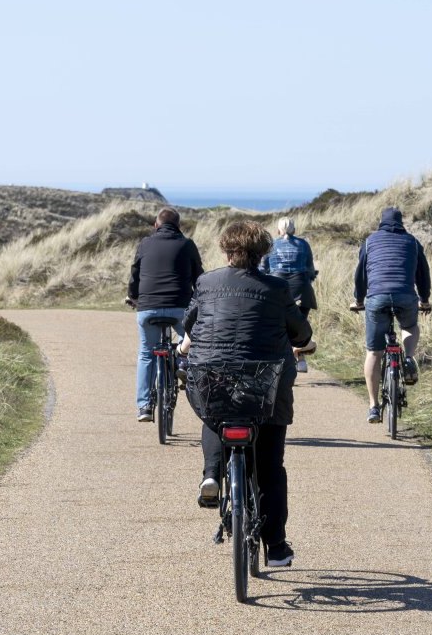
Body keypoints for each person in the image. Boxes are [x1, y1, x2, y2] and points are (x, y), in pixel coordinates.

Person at [179, 220, 312, 568]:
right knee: (270, 465)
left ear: (226, 250)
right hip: (265, 381)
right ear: (262, 252)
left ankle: (211, 473)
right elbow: (300, 332)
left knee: (213, 411)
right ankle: (277, 546)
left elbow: (189, 323)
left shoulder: (207, 282)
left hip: (211, 373)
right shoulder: (277, 287)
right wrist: (302, 341)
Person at [352, 207, 432, 424]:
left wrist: (359, 300)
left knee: (373, 352)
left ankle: (373, 406)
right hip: (406, 297)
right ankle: (408, 357)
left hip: (377, 298)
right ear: (401, 222)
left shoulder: (370, 241)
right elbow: (423, 275)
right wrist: (424, 300)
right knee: (410, 327)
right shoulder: (413, 242)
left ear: (381, 222)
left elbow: (361, 275)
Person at [126, 208, 203, 422]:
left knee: (146, 353)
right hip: (181, 309)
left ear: (155, 225)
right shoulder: (187, 245)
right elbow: (200, 278)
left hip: (148, 308)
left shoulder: (145, 244)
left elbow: (135, 275)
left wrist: (133, 296)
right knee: (190, 341)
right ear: (178, 226)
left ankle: (144, 407)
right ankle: (181, 363)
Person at [260, 216, 318, 372]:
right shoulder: (303, 244)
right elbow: (310, 268)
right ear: (294, 230)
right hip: (301, 290)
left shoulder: (270, 245)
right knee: (298, 326)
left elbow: (263, 269)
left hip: (277, 290)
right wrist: (311, 276)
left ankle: (280, 364)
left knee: (279, 327)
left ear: (278, 230)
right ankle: (300, 359)